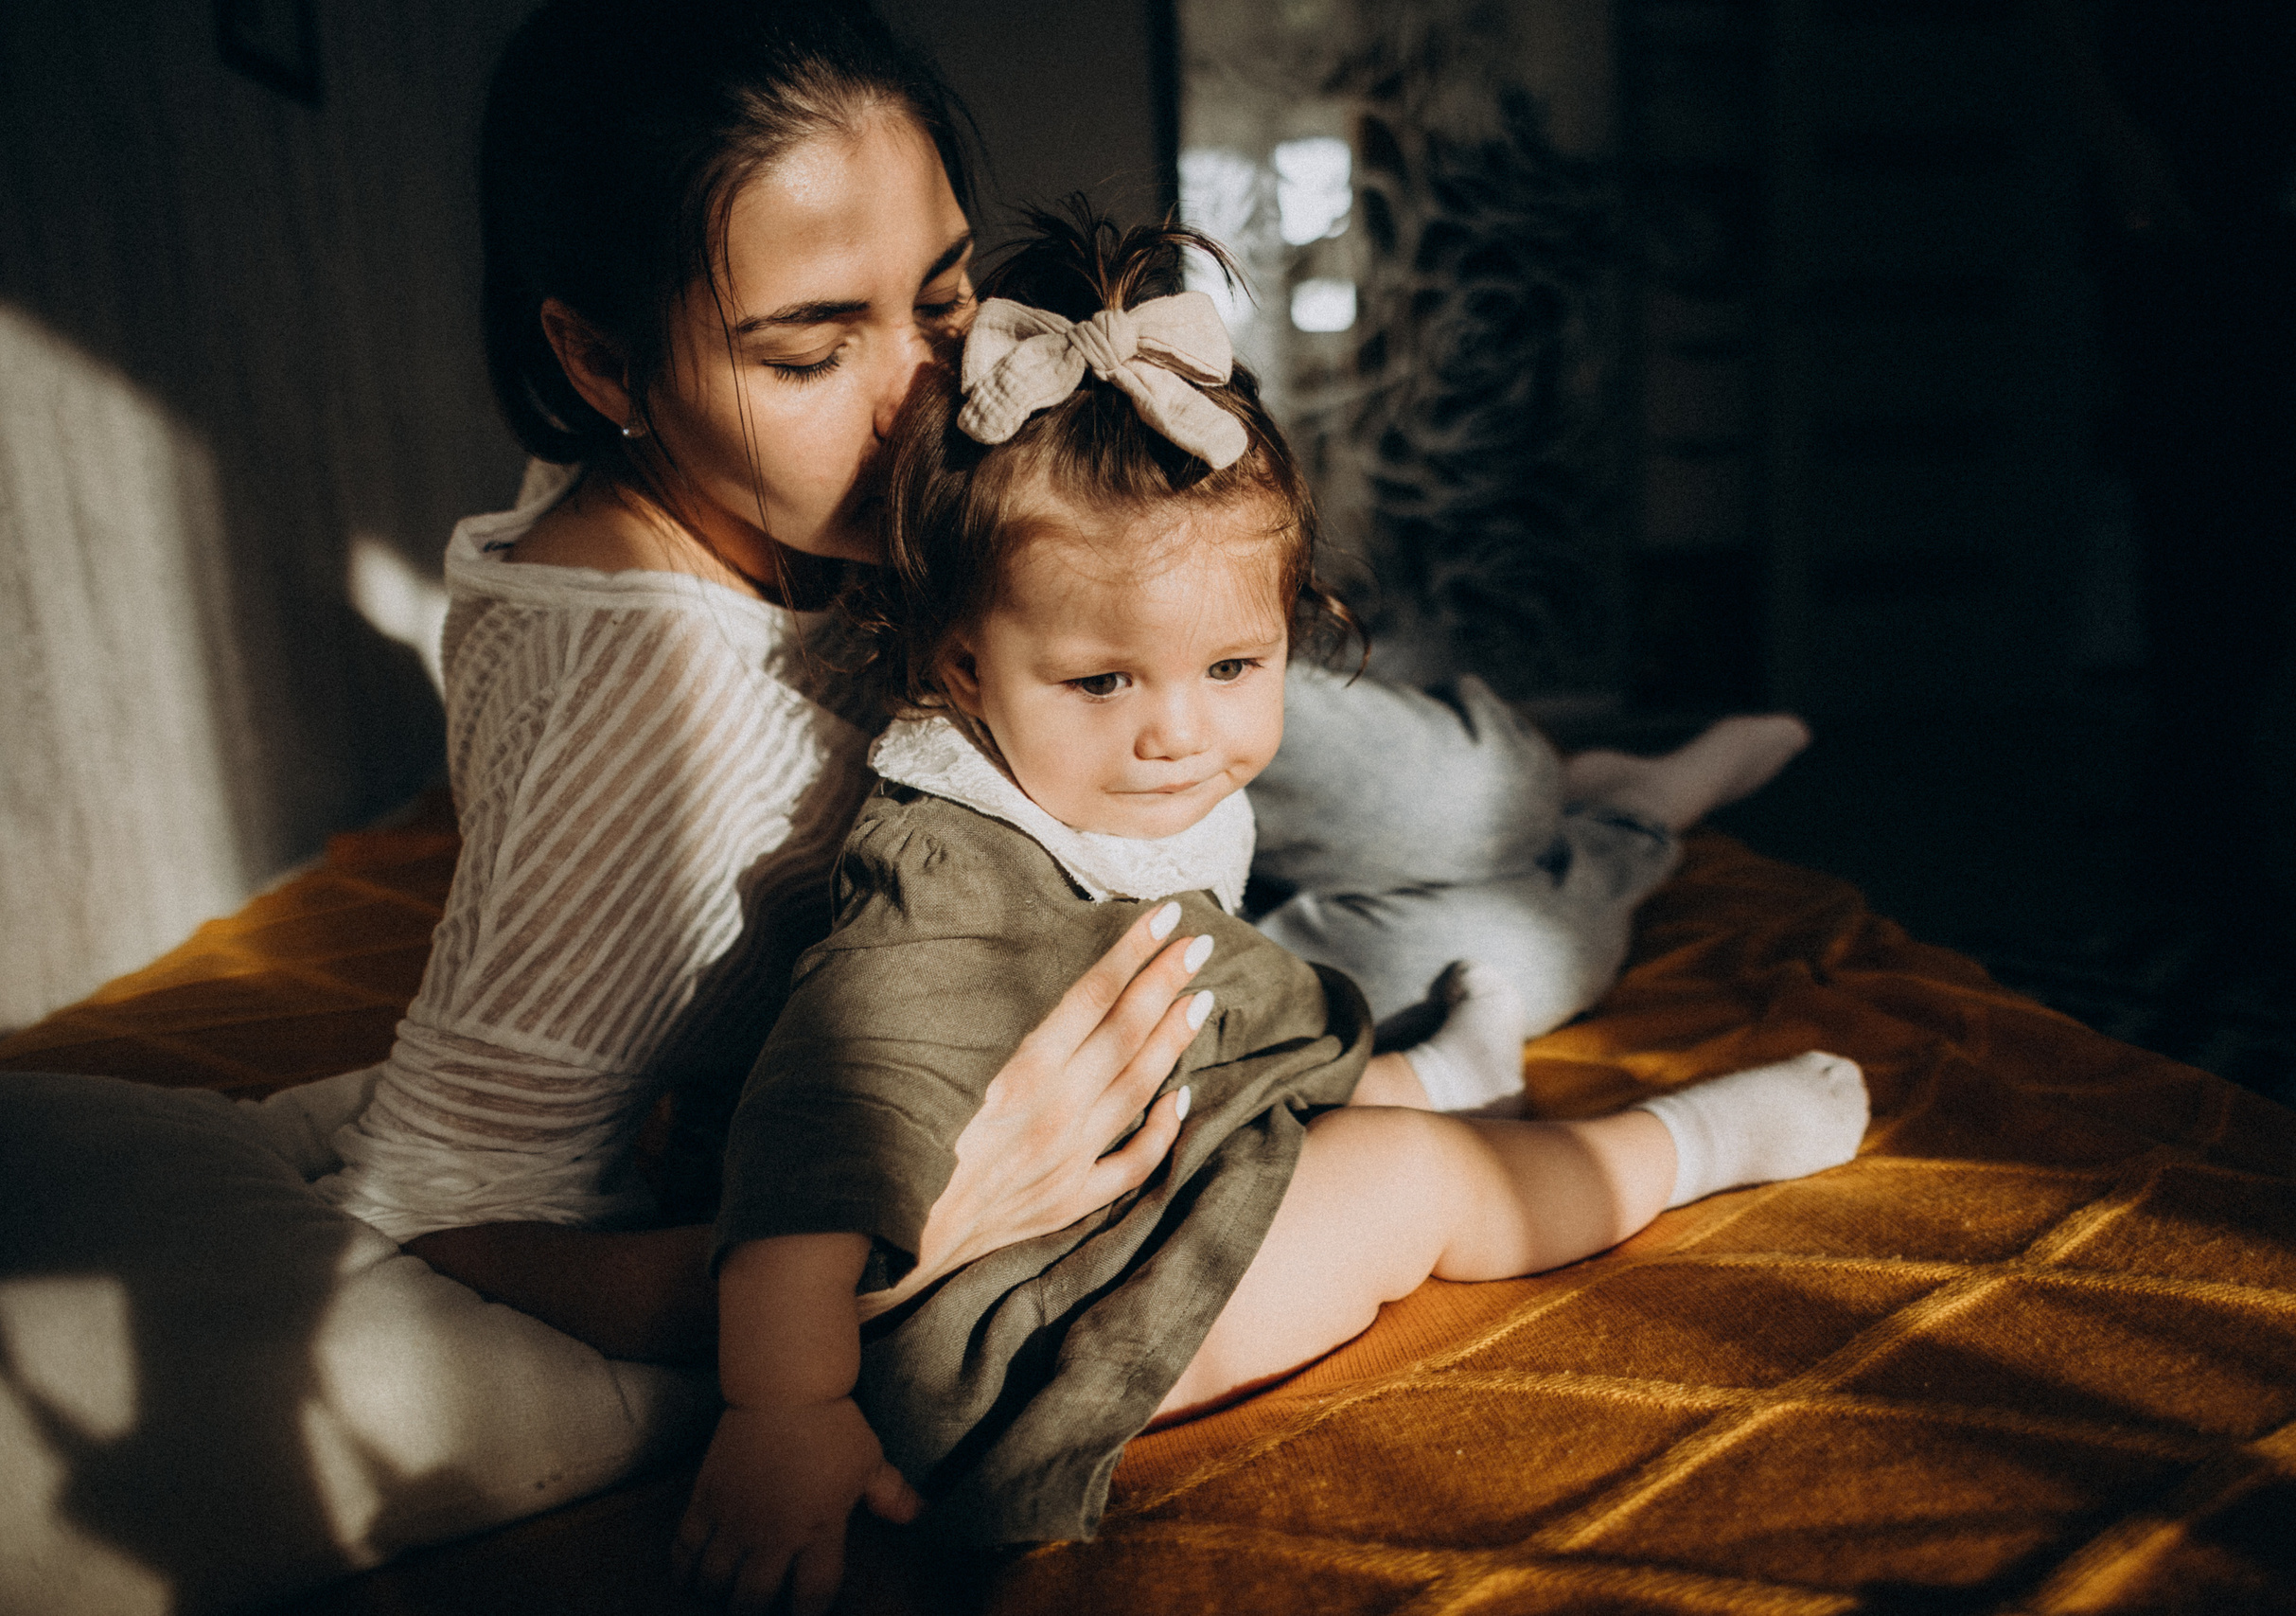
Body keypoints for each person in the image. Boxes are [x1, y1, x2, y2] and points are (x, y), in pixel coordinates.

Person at [673, 210, 1872, 1611]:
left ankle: (1460, 1046)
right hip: (1031, 1339)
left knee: (1322, 1036)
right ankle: (1685, 1144)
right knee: (1416, 1189)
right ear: (960, 671)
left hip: (1163, 1138)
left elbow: (1218, 984)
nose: (1182, 734)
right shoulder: (937, 901)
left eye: (1236, 665)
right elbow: (804, 1172)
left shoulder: (1106, 782)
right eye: (1103, 682)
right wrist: (785, 1416)